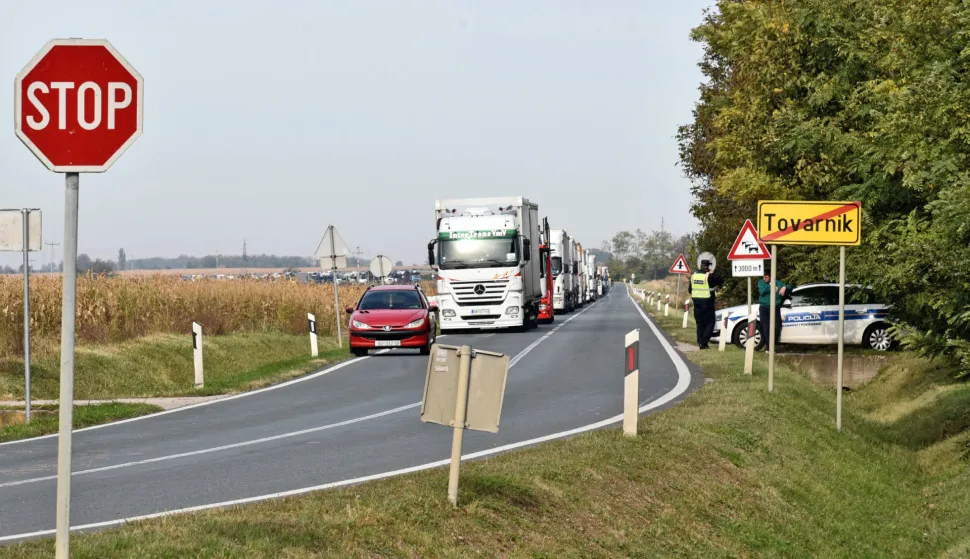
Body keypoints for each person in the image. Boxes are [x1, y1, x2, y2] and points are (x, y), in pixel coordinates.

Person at [688, 259, 723, 349]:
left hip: (696, 304)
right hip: (707, 304)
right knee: (710, 323)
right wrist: (712, 273)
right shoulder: (708, 276)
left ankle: (700, 342)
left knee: (699, 324)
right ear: (707, 266)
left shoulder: (694, 275)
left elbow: (690, 290)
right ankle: (704, 343)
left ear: (701, 265)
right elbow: (720, 281)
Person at [758, 270, 793, 352]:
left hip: (775, 308)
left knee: (777, 326)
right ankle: (769, 348)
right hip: (764, 308)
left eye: (766, 277)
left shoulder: (778, 283)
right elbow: (762, 291)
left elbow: (790, 287)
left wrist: (784, 287)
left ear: (771, 277)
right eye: (763, 277)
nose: (764, 279)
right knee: (766, 327)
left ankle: (771, 345)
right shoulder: (761, 282)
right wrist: (772, 287)